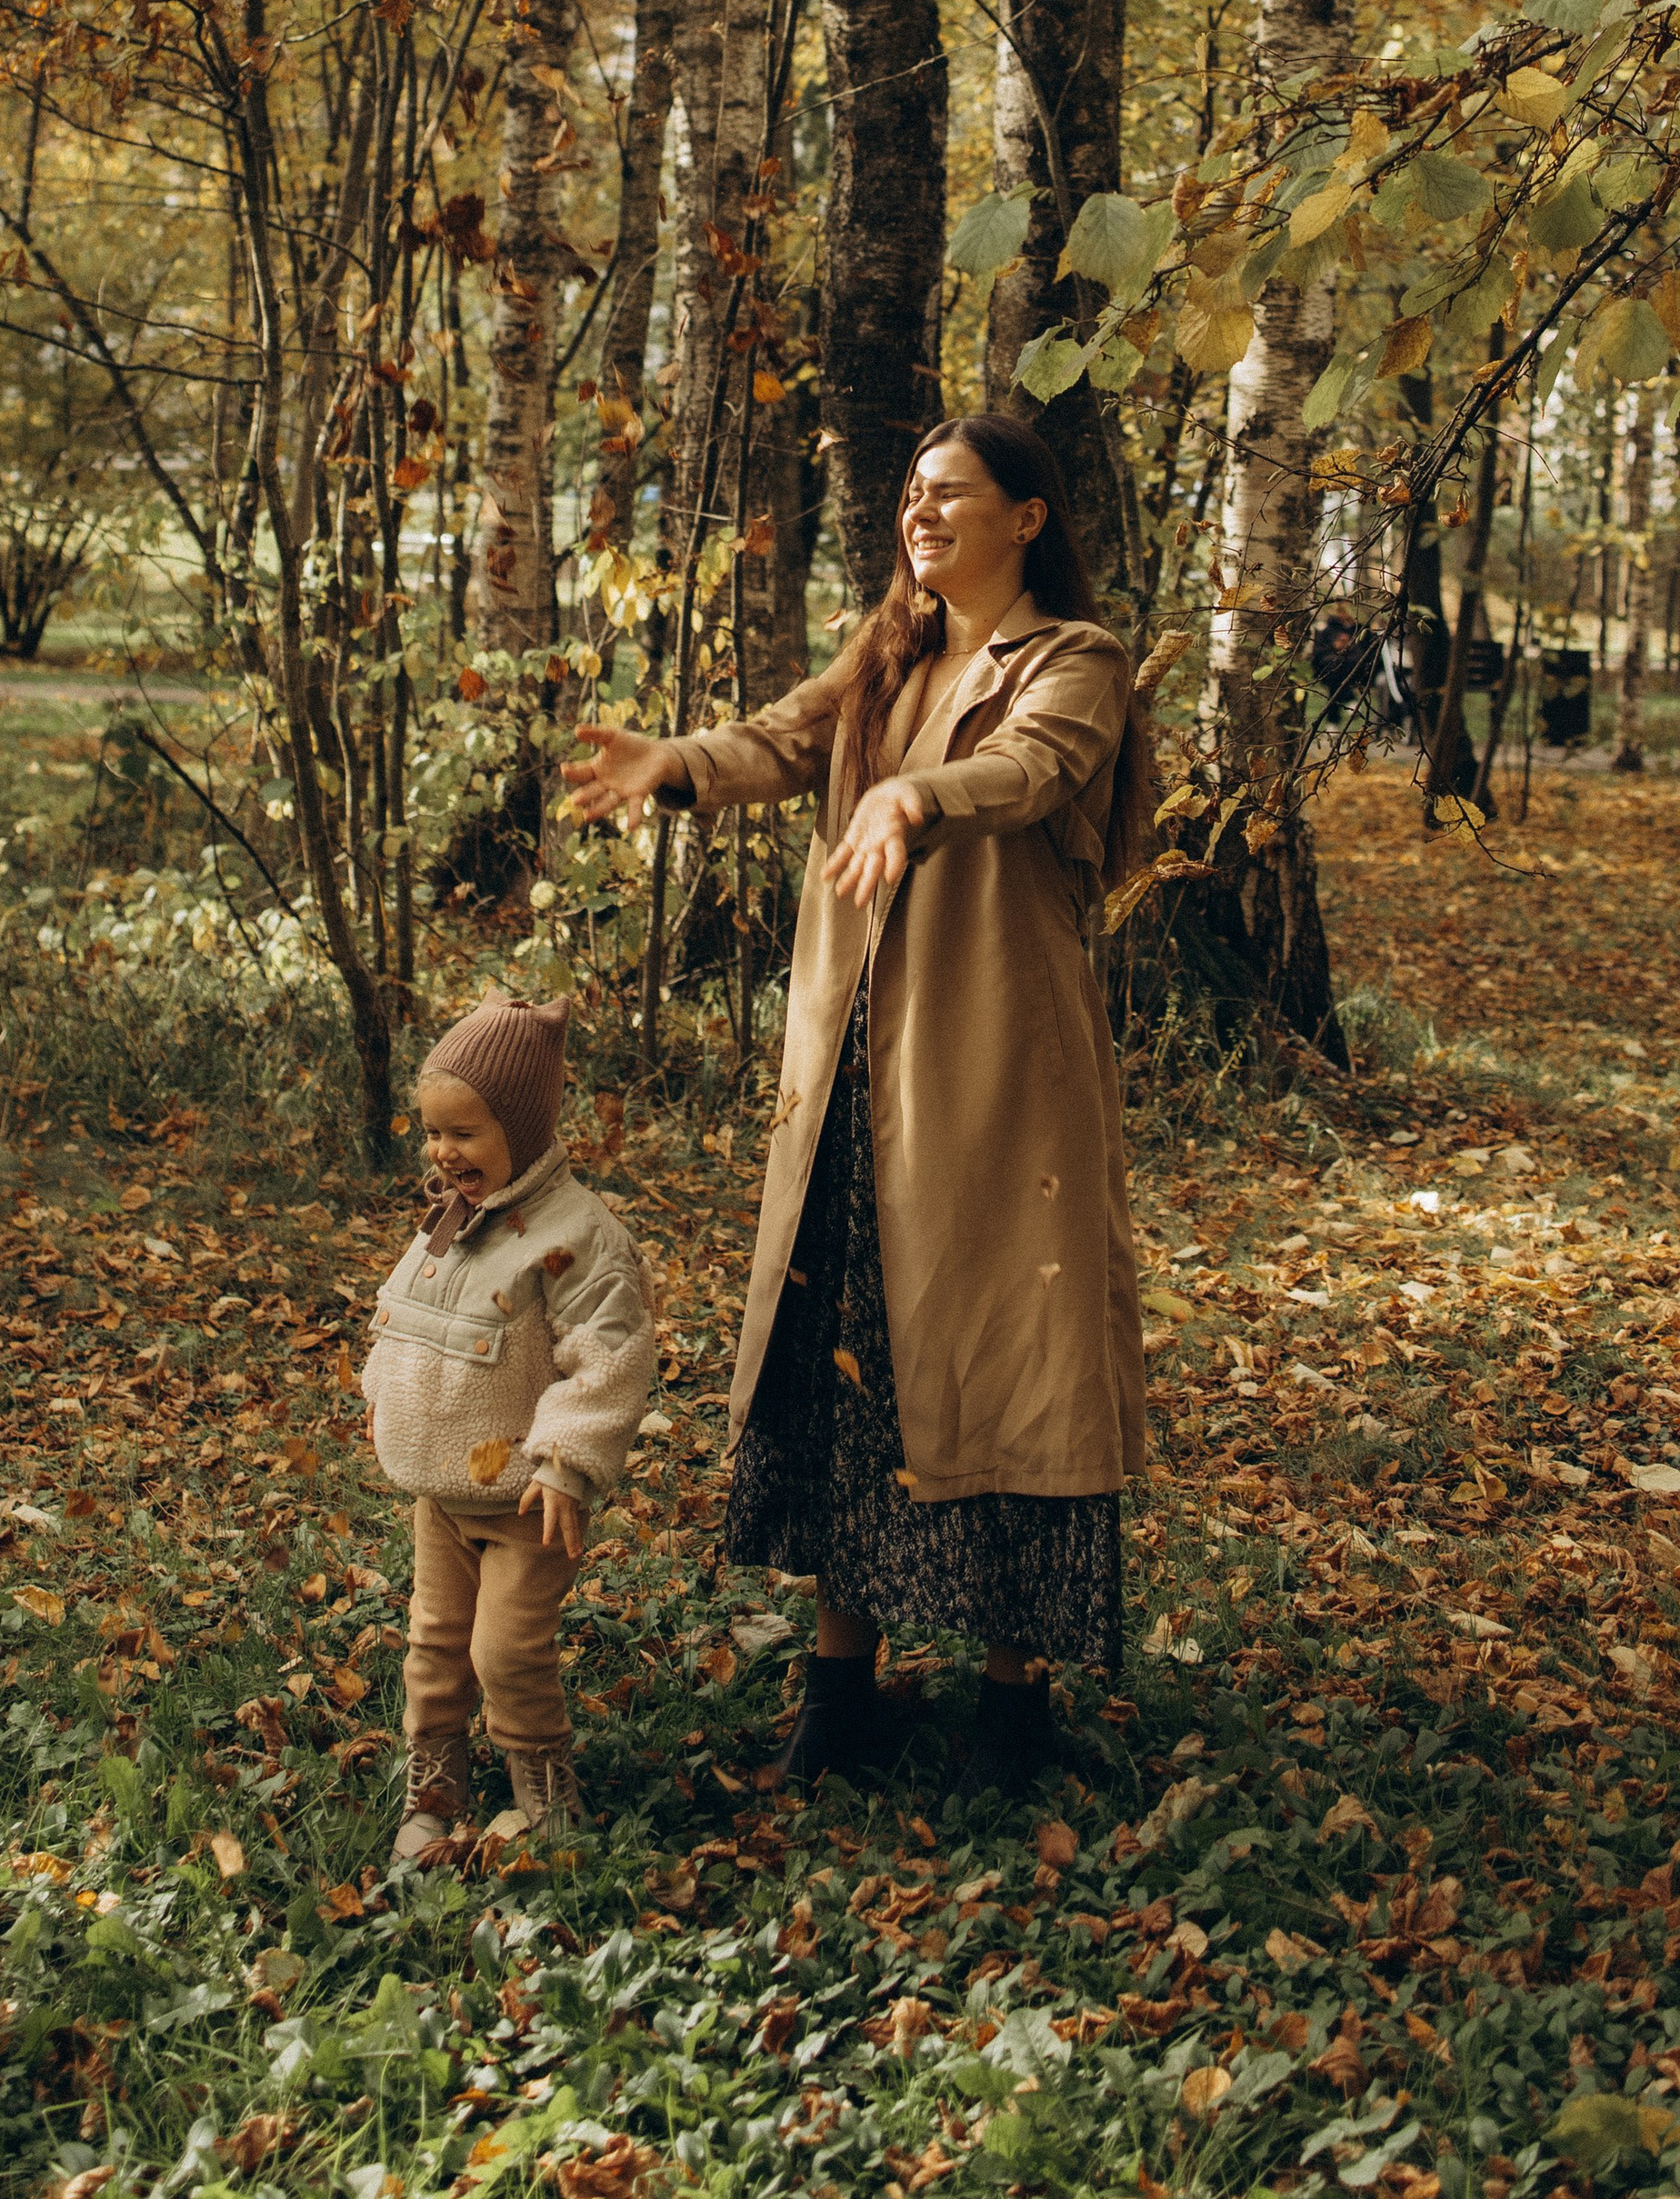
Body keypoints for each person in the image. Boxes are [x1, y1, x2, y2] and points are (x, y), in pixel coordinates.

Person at [565, 413, 1154, 1800]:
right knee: (846, 1359)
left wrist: (910, 800)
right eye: (910, 495)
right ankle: (840, 1693)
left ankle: (1014, 1709)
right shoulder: (887, 652)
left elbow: (1030, 776)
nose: (921, 514)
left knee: (1014, 1363)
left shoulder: (1076, 661)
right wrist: (676, 760)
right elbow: (783, 740)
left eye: (951, 494)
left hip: (998, 1081)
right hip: (849, 1074)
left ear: (1028, 518)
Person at [362, 991, 655, 1862]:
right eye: (432, 1131)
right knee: (435, 1643)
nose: (442, 1151)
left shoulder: (578, 1237)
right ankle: (438, 1777)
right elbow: (400, 1317)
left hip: (528, 1501)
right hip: (442, 1493)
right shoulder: (445, 1225)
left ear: (522, 1129)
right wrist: (384, 1386)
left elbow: (609, 1355)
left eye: (465, 1132)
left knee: (506, 1649)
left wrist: (568, 1460)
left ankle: (540, 1777)